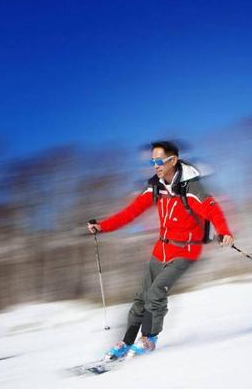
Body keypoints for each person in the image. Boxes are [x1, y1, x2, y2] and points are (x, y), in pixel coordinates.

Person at [87, 141, 234, 360]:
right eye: (152, 161)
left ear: (173, 160)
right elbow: (130, 213)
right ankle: (125, 343)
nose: (155, 165)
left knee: (155, 293)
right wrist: (102, 226)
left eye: (159, 161)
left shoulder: (191, 188)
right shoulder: (155, 187)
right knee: (141, 298)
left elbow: (213, 211)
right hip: (161, 249)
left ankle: (149, 338)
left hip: (186, 251)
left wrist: (224, 231)